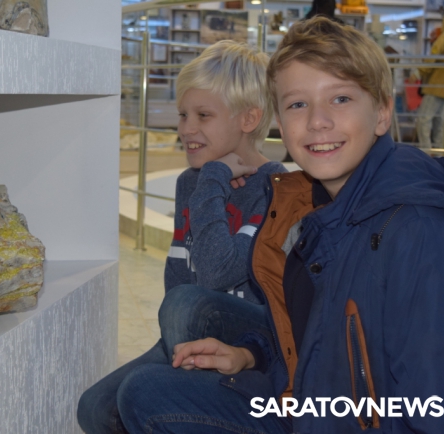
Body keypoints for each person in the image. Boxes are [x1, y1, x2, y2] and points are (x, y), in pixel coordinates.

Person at [117, 16, 444, 433]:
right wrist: (252, 354)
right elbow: (316, 335)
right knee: (144, 392)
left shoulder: (423, 235)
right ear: (279, 120)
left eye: (340, 99)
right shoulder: (320, 208)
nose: (317, 121)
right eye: (297, 104)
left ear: (383, 113)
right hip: (309, 402)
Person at [77, 40, 287, 433]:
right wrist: (207, 181)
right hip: (190, 331)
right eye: (183, 114)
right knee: (95, 408)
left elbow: (216, 274)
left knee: (186, 305)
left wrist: (213, 179)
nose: (186, 128)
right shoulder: (190, 182)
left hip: (253, 338)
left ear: (249, 119)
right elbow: (179, 275)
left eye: (203, 115)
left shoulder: (276, 187)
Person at [414, 9, 444, 148]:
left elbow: (432, 57)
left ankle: (426, 151)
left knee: (423, 119)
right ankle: (440, 153)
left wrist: (418, 73)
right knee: (440, 123)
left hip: (435, 86)